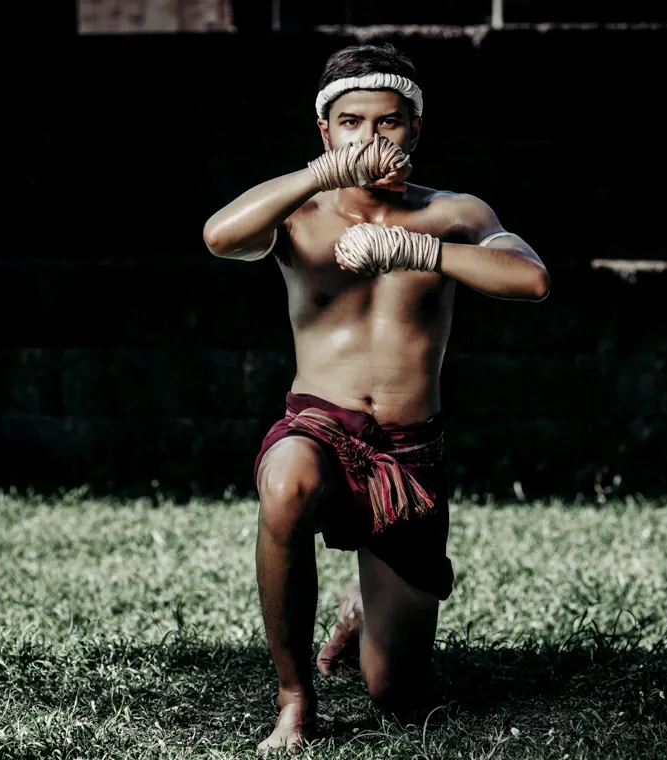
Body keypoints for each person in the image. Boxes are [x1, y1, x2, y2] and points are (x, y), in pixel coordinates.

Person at [202, 42, 549, 753]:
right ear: (326, 131)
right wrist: (320, 177)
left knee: (396, 693)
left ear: (414, 131)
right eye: (352, 123)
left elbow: (530, 279)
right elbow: (219, 236)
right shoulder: (299, 214)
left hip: (409, 453)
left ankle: (365, 608)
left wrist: (414, 250)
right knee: (288, 481)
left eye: (389, 123)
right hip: (321, 429)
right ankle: (295, 700)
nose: (370, 139)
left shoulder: (451, 213)